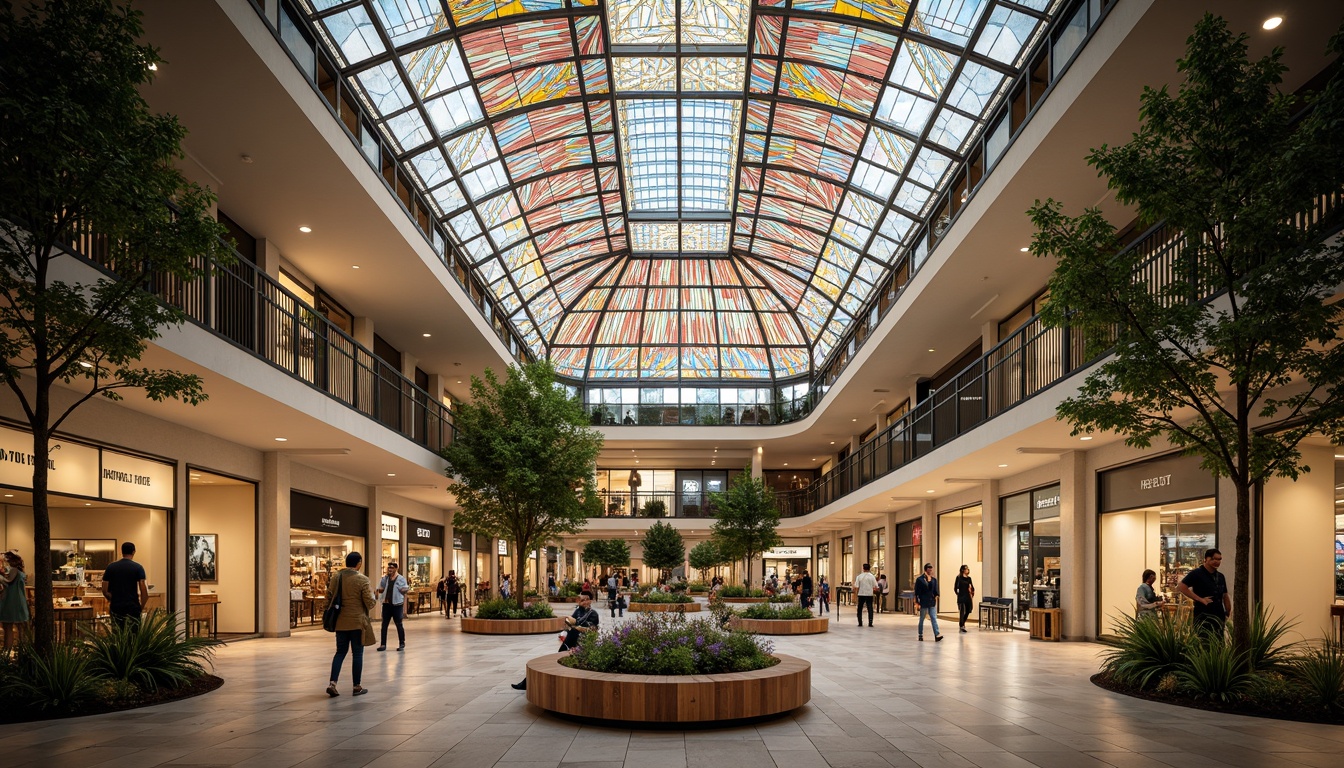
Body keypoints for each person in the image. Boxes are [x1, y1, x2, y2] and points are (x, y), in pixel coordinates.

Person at [512, 595, 599, 690]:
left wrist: (576, 624)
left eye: (586, 600)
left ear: (590, 601)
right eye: (582, 600)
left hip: (579, 644)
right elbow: (569, 622)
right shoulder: (578, 611)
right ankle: (526, 683)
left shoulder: (593, 613)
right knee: (550, 663)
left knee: (555, 663)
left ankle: (528, 684)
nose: (584, 602)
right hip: (569, 642)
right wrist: (572, 624)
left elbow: (591, 628)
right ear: (579, 602)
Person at [326, 551, 375, 697]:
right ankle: (356, 686)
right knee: (357, 653)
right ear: (359, 563)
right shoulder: (363, 580)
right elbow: (370, 602)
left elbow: (328, 596)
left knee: (340, 652)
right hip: (357, 622)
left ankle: (332, 683)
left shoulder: (337, 577)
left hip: (340, 621)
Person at [1177, 548, 1230, 636]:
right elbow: (1182, 587)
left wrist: (1228, 611)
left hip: (1219, 615)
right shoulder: (1197, 573)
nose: (1217, 561)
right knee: (1204, 642)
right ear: (1206, 559)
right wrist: (1200, 599)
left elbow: (1225, 594)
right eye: (1213, 559)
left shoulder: (1220, 576)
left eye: (1219, 559)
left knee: (1219, 643)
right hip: (1203, 615)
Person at [102, 541, 149, 628]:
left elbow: (104, 590)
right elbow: (143, 590)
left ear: (121, 552)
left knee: (117, 635)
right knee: (133, 636)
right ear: (134, 552)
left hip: (116, 607)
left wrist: (114, 599)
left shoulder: (111, 567)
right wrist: (140, 606)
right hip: (132, 607)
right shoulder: (138, 567)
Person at [373, 561, 409, 651]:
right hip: (386, 604)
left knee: (399, 624)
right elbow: (381, 589)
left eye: (392, 568)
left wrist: (403, 590)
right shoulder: (385, 578)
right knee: (384, 624)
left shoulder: (401, 579)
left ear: (396, 569)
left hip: (397, 604)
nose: (390, 570)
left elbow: (405, 589)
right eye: (389, 568)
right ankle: (383, 644)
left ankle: (402, 643)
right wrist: (377, 591)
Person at [0, 551, 30, 652]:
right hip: (17, 602)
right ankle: (22, 652)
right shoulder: (18, 571)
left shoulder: (14, 570)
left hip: (12, 602)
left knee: (8, 628)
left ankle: (8, 652)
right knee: (19, 629)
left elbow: (8, 582)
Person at [914, 563, 943, 642]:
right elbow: (916, 592)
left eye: (931, 568)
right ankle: (920, 634)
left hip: (931, 601)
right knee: (922, 618)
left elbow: (936, 591)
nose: (930, 570)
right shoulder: (920, 580)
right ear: (926, 569)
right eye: (929, 568)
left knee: (933, 618)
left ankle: (937, 634)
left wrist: (936, 596)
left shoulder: (934, 580)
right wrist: (917, 602)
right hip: (923, 601)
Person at [953, 564, 975, 633]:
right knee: (962, 610)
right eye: (966, 569)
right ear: (962, 570)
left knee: (968, 610)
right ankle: (962, 625)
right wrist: (958, 594)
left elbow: (972, 587)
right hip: (961, 596)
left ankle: (963, 622)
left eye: (968, 569)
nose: (967, 570)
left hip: (967, 596)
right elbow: (956, 587)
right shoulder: (959, 578)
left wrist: (972, 590)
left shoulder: (969, 578)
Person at [855, 563, 877, 627]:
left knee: (860, 608)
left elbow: (857, 586)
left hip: (861, 594)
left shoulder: (859, 576)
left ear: (863, 568)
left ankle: (860, 622)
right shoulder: (872, 576)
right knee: (870, 608)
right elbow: (875, 586)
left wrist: (856, 594)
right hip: (869, 594)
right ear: (869, 568)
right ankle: (870, 622)